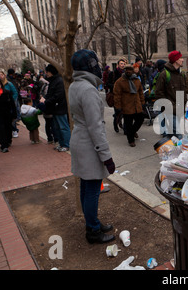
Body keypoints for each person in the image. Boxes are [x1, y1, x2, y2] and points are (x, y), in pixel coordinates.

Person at [68, 49, 116, 244]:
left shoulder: (76, 85)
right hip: (89, 145)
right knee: (92, 189)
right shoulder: (87, 89)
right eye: (94, 63)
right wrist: (107, 156)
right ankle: (93, 231)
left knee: (86, 187)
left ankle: (93, 223)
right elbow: (95, 127)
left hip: (81, 141)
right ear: (89, 66)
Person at [40, 64, 71, 152]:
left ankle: (66, 144)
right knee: (57, 128)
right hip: (54, 108)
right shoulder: (53, 81)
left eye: (47, 72)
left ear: (51, 72)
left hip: (60, 108)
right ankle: (61, 144)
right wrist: (45, 99)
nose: (46, 73)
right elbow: (50, 94)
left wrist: (46, 101)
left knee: (63, 127)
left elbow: (58, 96)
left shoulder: (59, 81)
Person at [155, 50, 186, 137]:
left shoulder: (182, 74)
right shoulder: (164, 74)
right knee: (178, 135)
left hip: (180, 110)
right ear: (176, 60)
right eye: (181, 58)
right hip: (170, 111)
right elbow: (159, 93)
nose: (182, 60)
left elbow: (183, 92)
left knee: (172, 135)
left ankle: (169, 149)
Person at [113, 63, 145, 147]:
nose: (128, 71)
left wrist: (142, 103)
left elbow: (141, 92)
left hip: (137, 105)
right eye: (126, 70)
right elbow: (117, 95)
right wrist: (118, 106)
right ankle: (130, 140)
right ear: (125, 71)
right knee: (128, 123)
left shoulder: (137, 80)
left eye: (130, 70)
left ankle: (133, 132)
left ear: (133, 71)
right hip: (126, 106)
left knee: (140, 119)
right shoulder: (120, 81)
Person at [0, 70, 20, 138]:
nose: (0, 76)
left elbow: (15, 93)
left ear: (4, 75)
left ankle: (14, 130)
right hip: (1, 105)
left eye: (1, 74)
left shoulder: (9, 84)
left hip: (9, 104)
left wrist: (11, 101)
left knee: (11, 118)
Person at [108, 58, 127, 133]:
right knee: (117, 112)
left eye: (124, 64)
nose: (123, 65)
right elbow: (107, 84)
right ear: (118, 64)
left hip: (124, 96)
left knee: (125, 112)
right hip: (116, 96)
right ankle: (116, 124)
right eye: (121, 63)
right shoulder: (112, 73)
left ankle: (124, 127)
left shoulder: (126, 73)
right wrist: (116, 87)